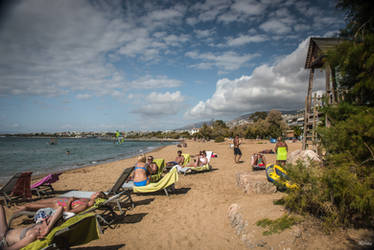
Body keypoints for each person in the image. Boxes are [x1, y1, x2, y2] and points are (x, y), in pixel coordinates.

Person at [15, 192, 106, 215]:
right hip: (59, 201)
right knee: (36, 202)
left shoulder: (86, 205)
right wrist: (73, 199)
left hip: (57, 206)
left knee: (30, 206)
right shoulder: (87, 199)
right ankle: (21, 208)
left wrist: (70, 201)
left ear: (97, 198)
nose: (94, 193)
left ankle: (19, 211)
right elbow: (76, 199)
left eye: (96, 194)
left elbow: (68, 212)